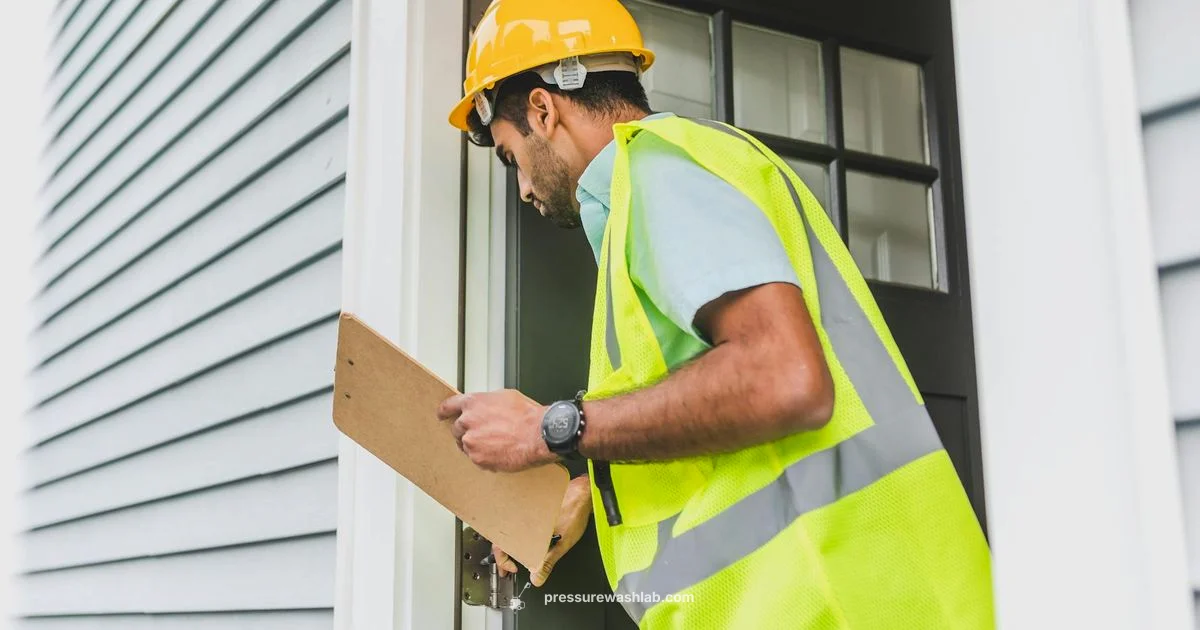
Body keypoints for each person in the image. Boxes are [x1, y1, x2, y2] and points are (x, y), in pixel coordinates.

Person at [436, 1, 994, 627]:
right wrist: (593, 488)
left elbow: (784, 378)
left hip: (836, 604)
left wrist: (548, 430)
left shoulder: (660, 173)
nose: (524, 190)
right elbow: (717, 405)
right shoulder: (682, 174)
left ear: (543, 109)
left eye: (511, 158)